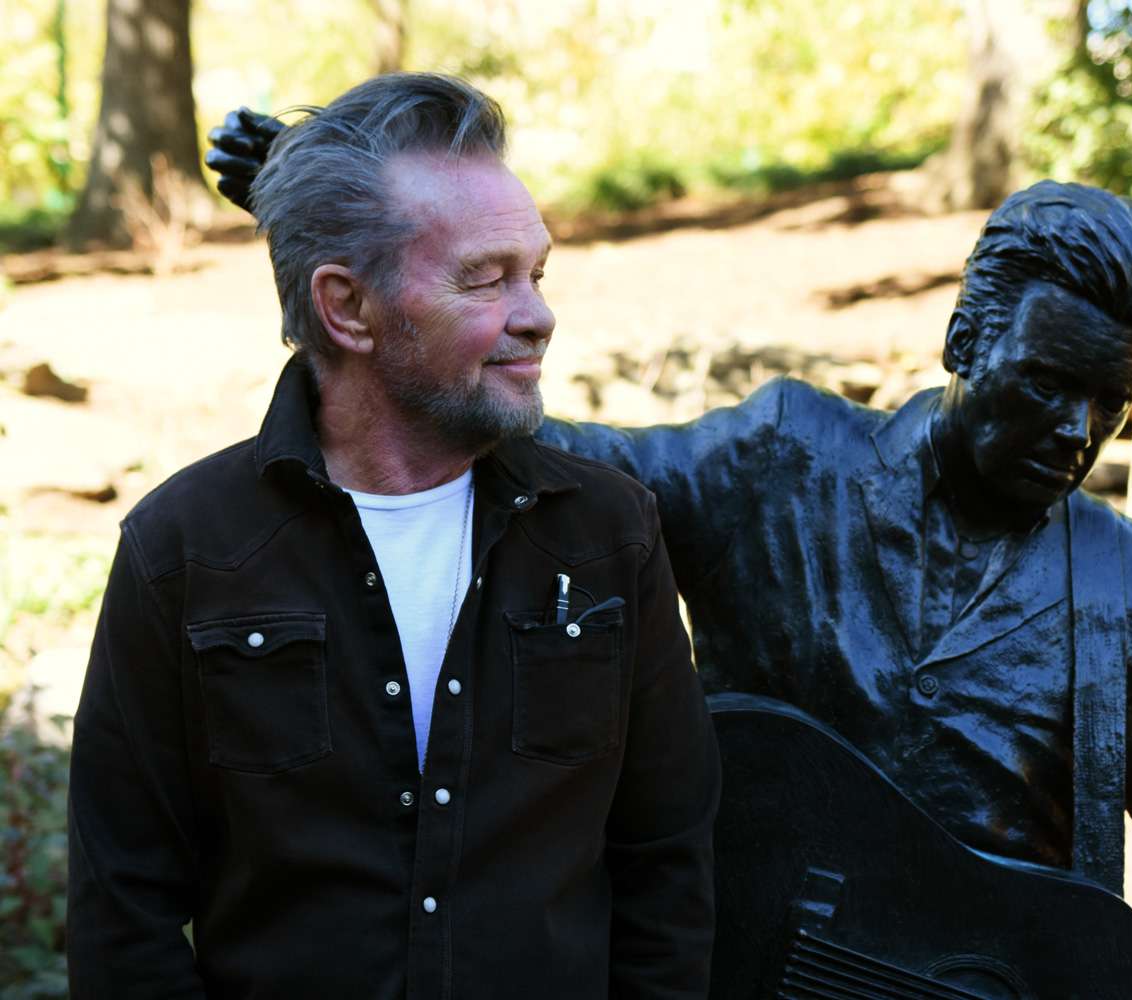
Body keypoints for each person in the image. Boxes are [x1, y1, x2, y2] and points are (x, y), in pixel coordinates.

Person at [208, 117, 1132, 995]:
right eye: (1047, 385)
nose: (1077, 431)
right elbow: (559, 460)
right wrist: (350, 264)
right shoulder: (786, 462)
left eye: (1110, 403)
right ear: (964, 342)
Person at [69, 73, 720, 1000]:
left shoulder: (609, 533)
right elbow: (121, 911)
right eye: (486, 278)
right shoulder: (183, 548)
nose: (537, 314)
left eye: (536, 272)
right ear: (347, 308)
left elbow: (670, 863)